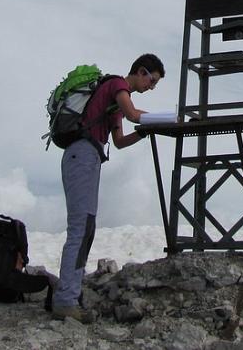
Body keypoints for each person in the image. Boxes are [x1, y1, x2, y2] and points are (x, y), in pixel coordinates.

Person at [51, 53, 165, 322]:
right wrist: (161, 120)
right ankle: (66, 300)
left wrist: (144, 132)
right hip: (83, 154)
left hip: (87, 157)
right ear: (141, 71)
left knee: (86, 227)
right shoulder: (117, 86)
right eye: (153, 80)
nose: (152, 87)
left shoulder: (114, 102)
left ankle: (71, 295)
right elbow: (133, 114)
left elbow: (121, 140)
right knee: (80, 227)